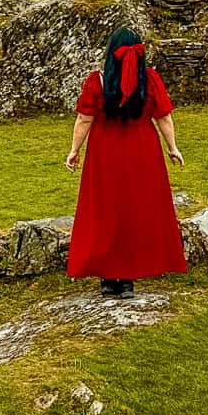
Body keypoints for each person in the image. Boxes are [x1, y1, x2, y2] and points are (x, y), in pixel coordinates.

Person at [65, 27, 188, 298]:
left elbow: (85, 119)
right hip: (141, 149)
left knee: (105, 209)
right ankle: (128, 278)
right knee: (136, 208)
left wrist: (74, 150)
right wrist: (172, 147)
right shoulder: (150, 79)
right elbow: (164, 117)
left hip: (104, 151)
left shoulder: (97, 80)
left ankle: (109, 277)